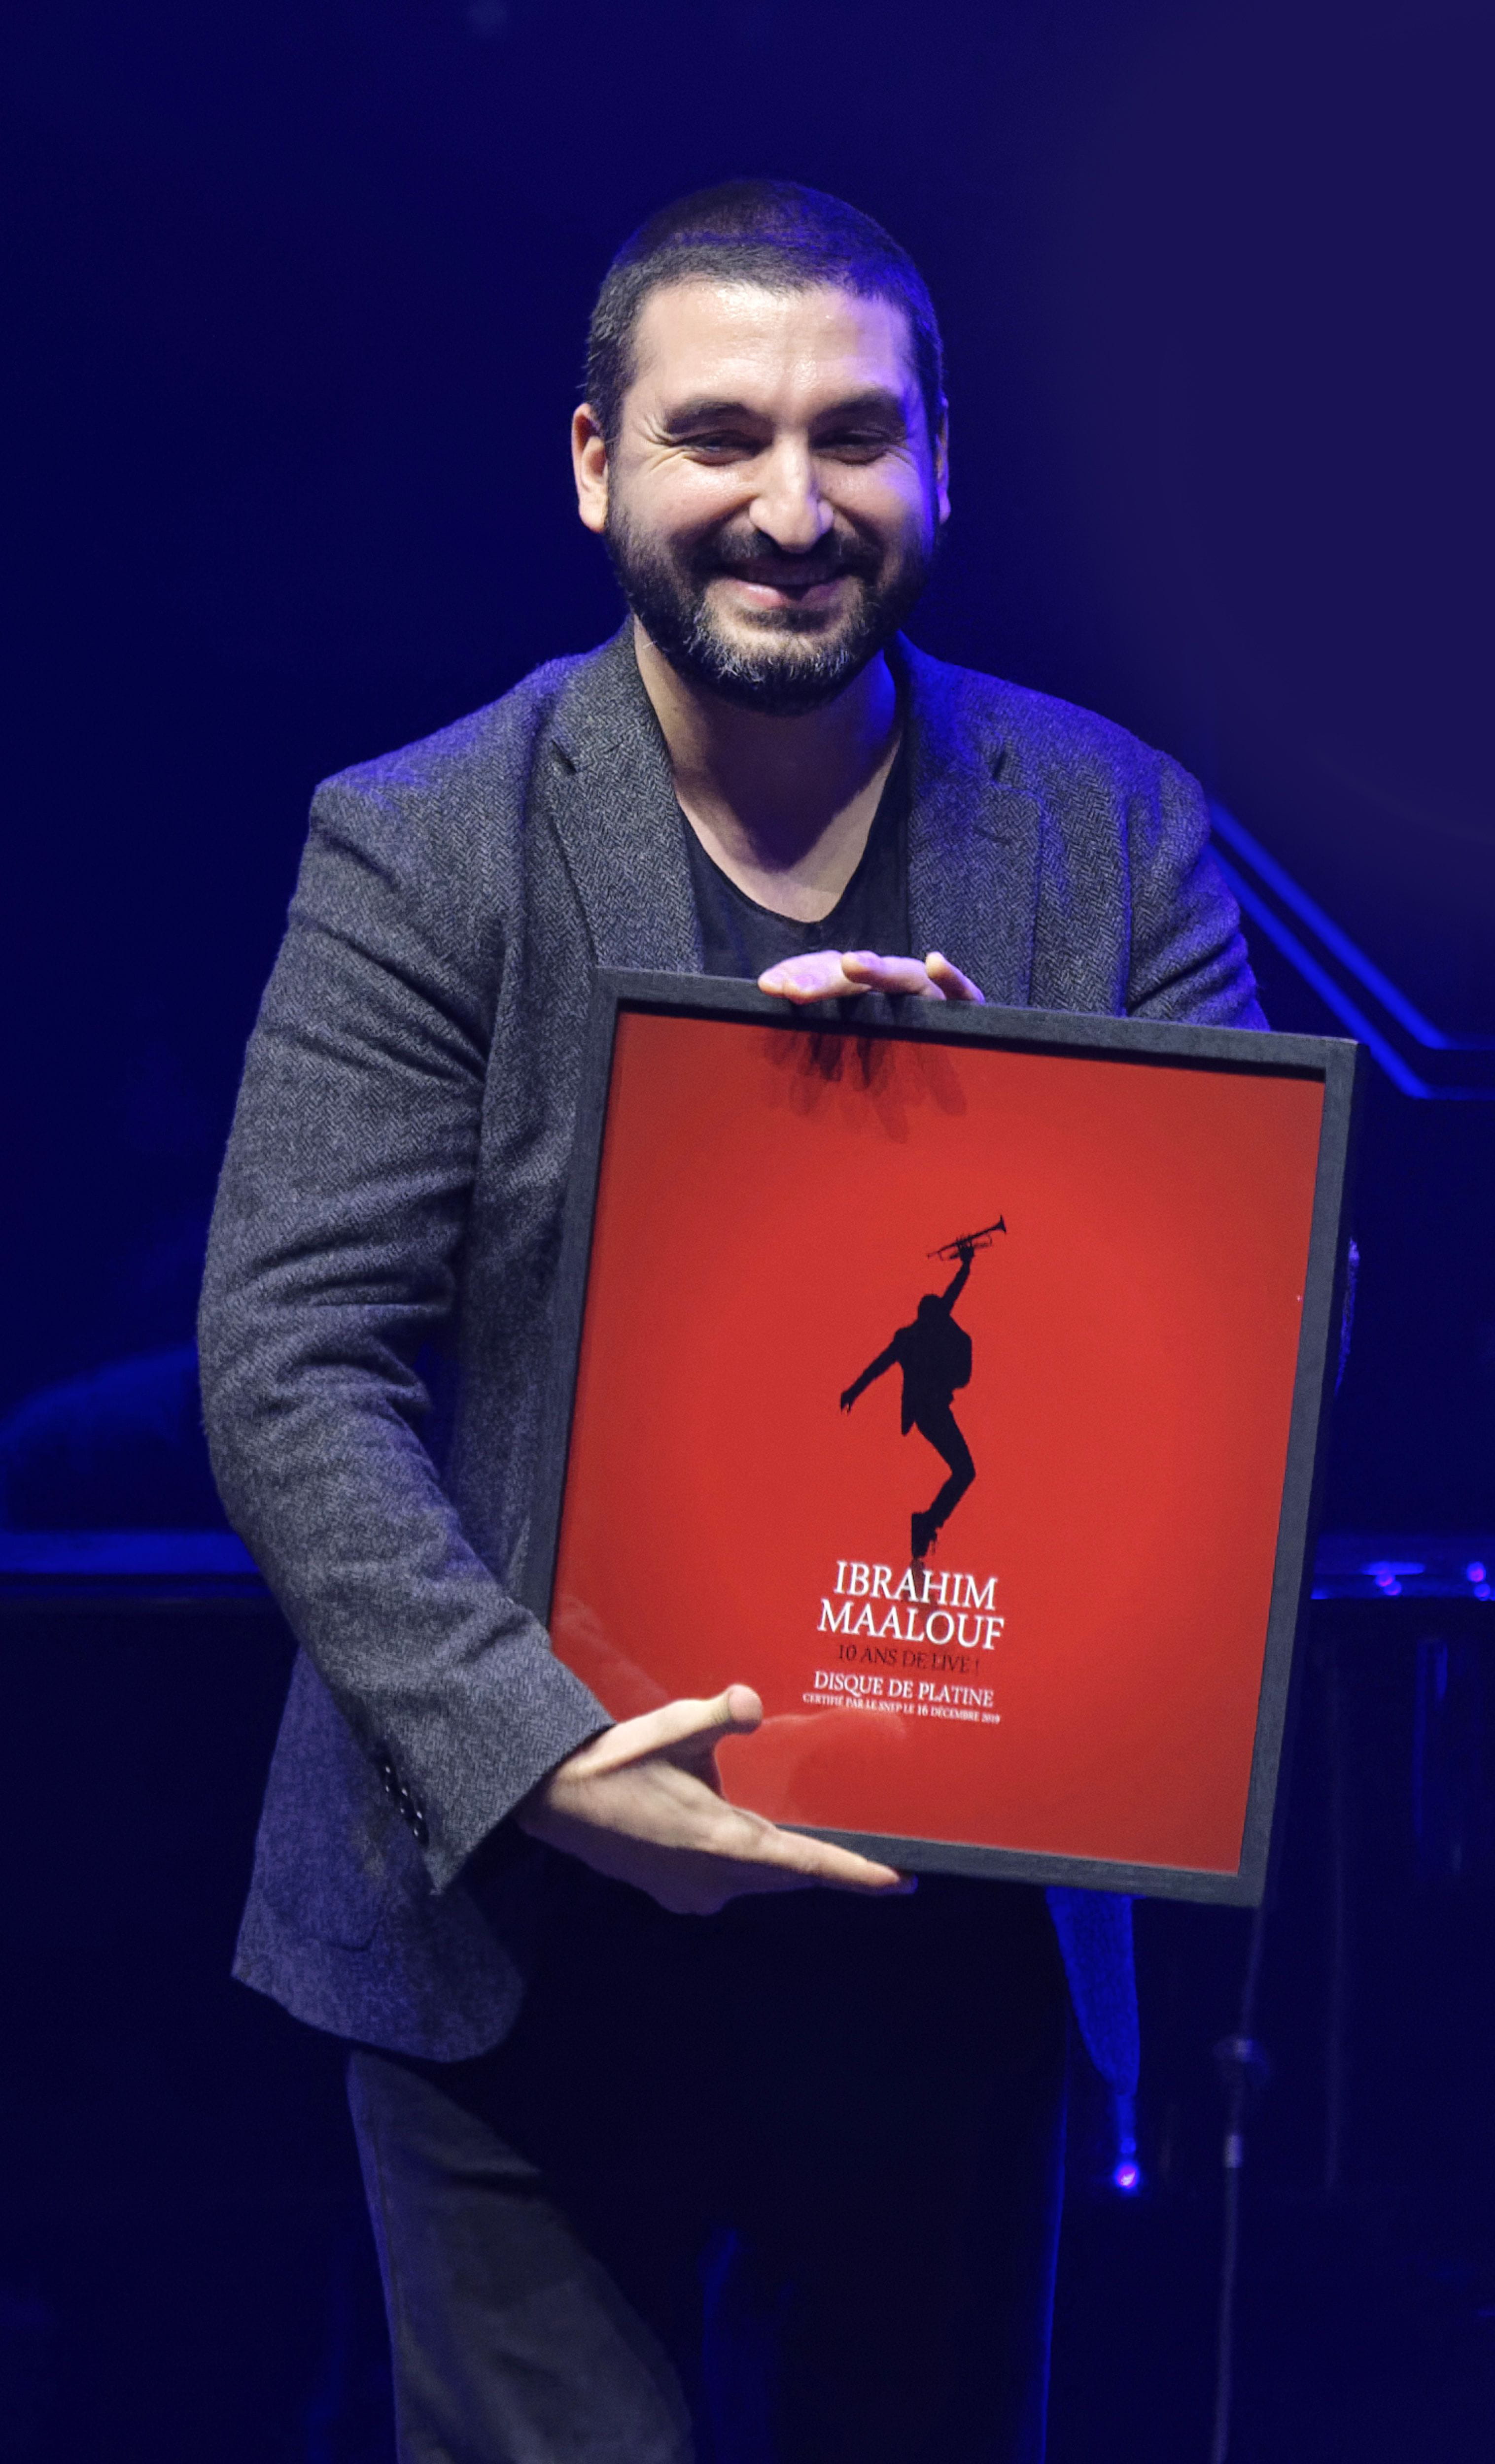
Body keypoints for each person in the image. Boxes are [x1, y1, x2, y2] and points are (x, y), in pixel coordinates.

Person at [200, 180, 1263, 2464]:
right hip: (518, 1919)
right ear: (598, 462)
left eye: (852, 435)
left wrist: (1019, 1150)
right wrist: (539, 1757)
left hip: (946, 1924)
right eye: (718, 436)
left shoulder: (1117, 835)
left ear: (942, 460)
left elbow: (1250, 1360)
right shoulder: (426, 839)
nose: (790, 507)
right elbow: (289, 1364)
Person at [842, 1238, 979, 1559]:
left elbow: (878, 1367)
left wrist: (966, 1266)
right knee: (965, 1471)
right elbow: (879, 1366)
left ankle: (927, 1523)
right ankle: (927, 1523)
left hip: (928, 1413)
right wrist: (966, 1265)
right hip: (931, 1413)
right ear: (931, 1316)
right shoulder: (917, 1335)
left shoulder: (910, 1336)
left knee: (964, 1471)